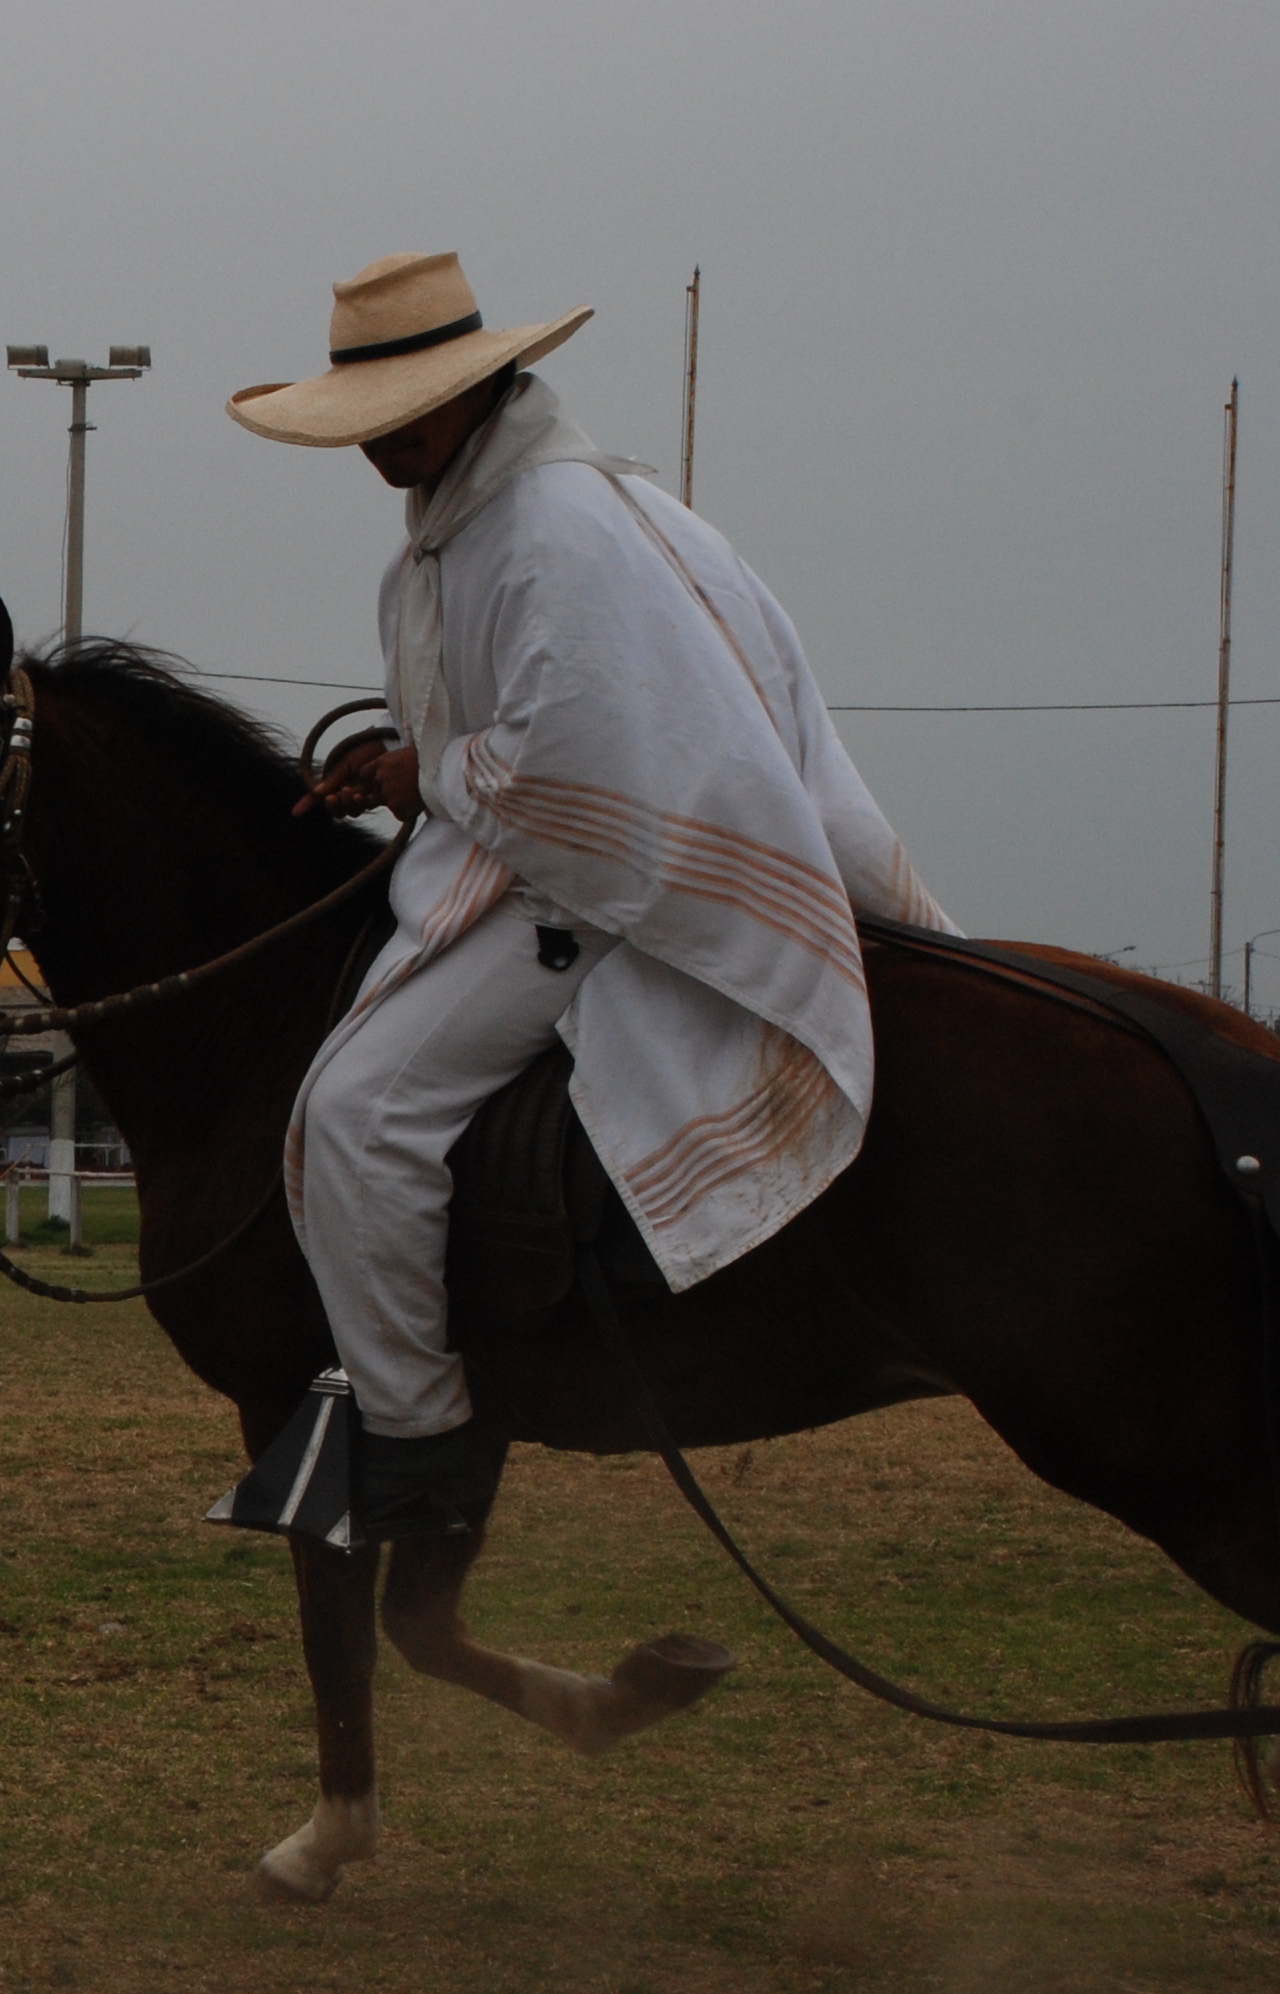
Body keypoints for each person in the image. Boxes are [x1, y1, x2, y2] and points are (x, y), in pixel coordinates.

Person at [229, 252, 951, 1538]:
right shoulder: (514, 525)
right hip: (571, 841)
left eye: (393, 415)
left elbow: (574, 767)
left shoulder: (546, 530)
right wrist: (403, 767)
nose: (374, 446)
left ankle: (416, 1439)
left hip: (606, 876)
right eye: (361, 423)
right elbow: (522, 732)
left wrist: (422, 769)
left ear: (473, 388)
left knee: (354, 1113)